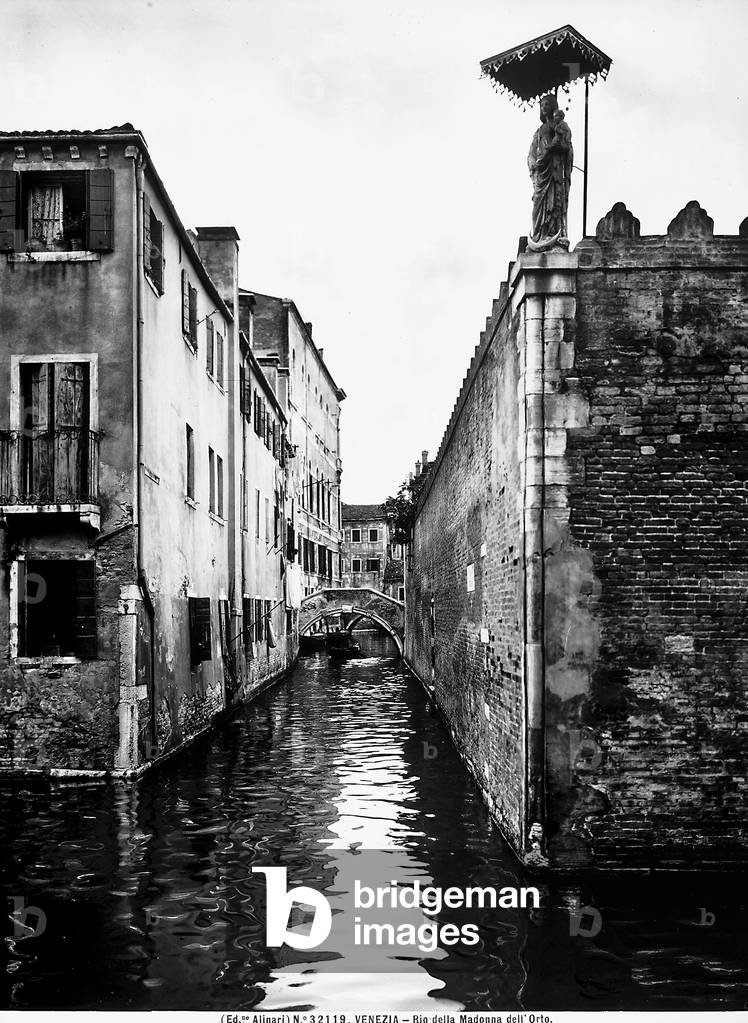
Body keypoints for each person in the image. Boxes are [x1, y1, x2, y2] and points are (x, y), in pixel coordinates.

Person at [527, 94, 573, 249]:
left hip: (555, 170)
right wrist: (535, 164)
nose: (543, 107)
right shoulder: (539, 131)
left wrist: (555, 147)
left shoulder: (560, 127)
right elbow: (531, 154)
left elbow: (567, 146)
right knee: (538, 202)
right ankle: (538, 234)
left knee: (556, 202)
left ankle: (554, 233)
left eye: (547, 104)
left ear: (553, 106)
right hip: (542, 172)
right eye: (541, 105)